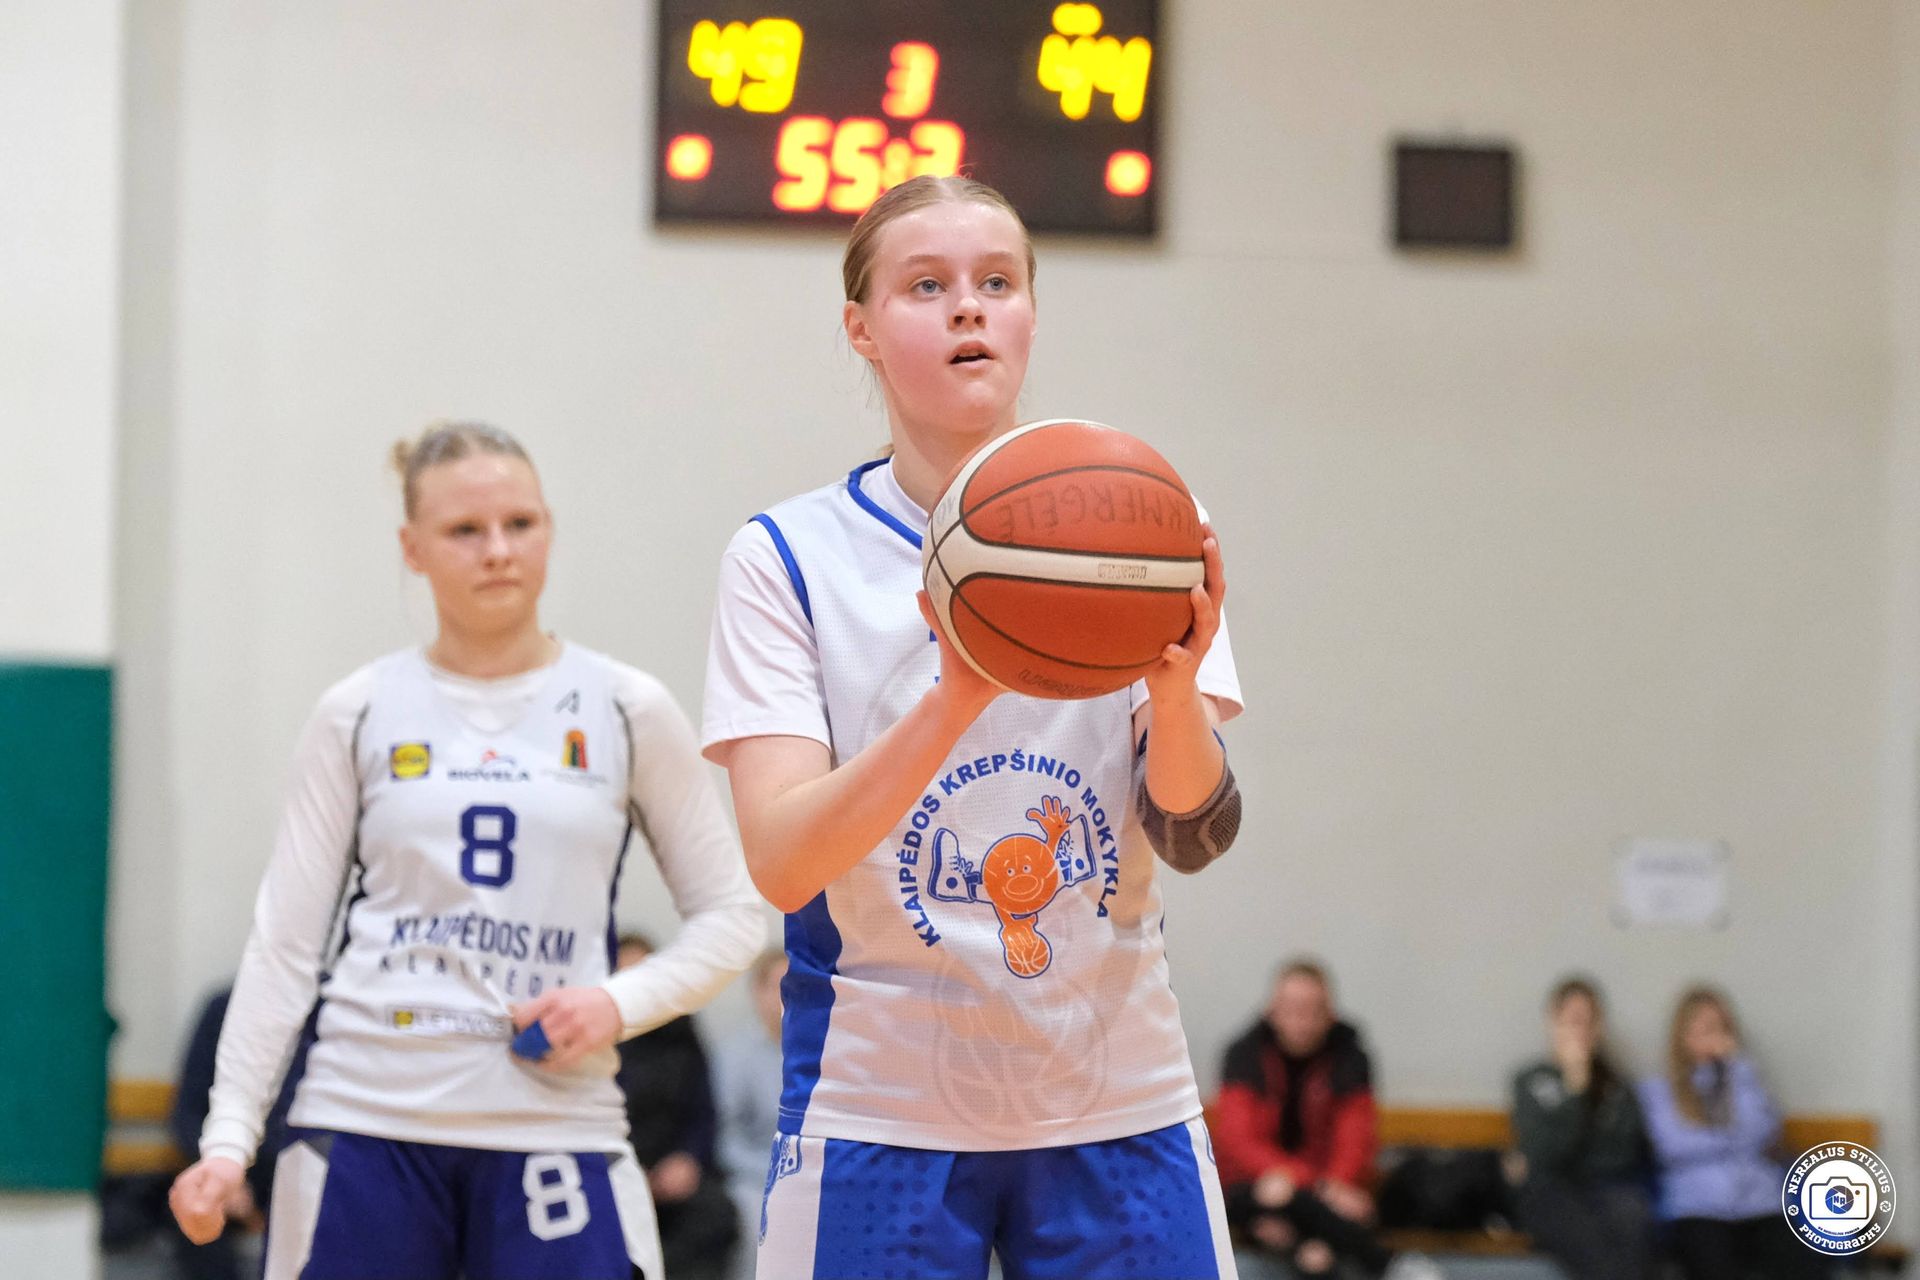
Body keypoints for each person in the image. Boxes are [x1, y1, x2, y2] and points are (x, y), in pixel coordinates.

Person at [702, 175, 1247, 1279]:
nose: (968, 307)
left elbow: (1196, 836)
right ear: (860, 327)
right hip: (878, 1104)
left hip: (1119, 1098)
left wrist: (1176, 691)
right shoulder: (786, 556)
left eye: (998, 282)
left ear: (1031, 315)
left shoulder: (1148, 526)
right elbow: (782, 860)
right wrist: (957, 693)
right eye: (926, 285)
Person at [167, 421, 765, 1280]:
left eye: (520, 523)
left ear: (549, 528)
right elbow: (285, 944)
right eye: (464, 530)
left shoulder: (625, 706)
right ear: (412, 549)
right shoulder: (359, 710)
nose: (498, 550)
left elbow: (735, 915)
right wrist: (229, 1140)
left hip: (556, 1123)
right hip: (366, 1121)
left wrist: (616, 1003)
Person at [1214, 960, 1441, 1279]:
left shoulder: (1350, 1058)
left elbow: (1356, 1138)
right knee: (1273, 1205)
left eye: (1312, 1011)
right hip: (1259, 1188)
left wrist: (1328, 1187)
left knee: (1307, 1245)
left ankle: (1304, 1246)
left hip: (1318, 1193)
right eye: (1293, 1010)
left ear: (1329, 1014)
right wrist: (1311, 1185)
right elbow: (1238, 1142)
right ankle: (1387, 1264)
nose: (1302, 1022)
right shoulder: (1244, 1055)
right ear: (1272, 1011)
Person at [1638, 986, 1825, 1280]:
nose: (1714, 1037)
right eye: (1704, 1028)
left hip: (1760, 1204)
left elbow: (1763, 1133)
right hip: (1698, 1209)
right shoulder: (1658, 1091)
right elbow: (1673, 1146)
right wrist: (1731, 1139)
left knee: (1804, 1263)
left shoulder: (1744, 1081)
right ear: (1683, 1035)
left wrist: (1738, 1069)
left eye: (1720, 1028)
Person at [1508, 976, 1657, 1280]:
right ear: (1553, 1022)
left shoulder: (1615, 1085)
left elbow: (1624, 1153)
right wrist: (1575, 1090)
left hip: (1607, 1188)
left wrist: (1574, 1153)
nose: (1581, 1031)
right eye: (1573, 1021)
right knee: (1574, 1223)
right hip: (1551, 1192)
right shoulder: (1531, 1080)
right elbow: (1543, 1155)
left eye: (1589, 1021)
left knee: (1633, 1213)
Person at [611, 932, 740, 1280]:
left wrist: (688, 1158)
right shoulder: (596, 1044)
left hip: (674, 1174)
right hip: (619, 1174)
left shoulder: (682, 1034)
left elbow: (703, 1112)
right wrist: (632, 1174)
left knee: (716, 1213)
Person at [165, 985, 313, 1280]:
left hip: (305, 1164)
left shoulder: (330, 1009)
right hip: (237, 1163)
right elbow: (187, 1113)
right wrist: (222, 1169)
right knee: (199, 1208)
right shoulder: (223, 1006)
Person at [711, 949, 786, 1280]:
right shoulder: (736, 1053)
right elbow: (726, 1134)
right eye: (778, 987)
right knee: (758, 1221)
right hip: (752, 1176)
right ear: (758, 991)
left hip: (811, 1171)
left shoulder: (823, 1051)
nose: (786, 998)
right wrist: (772, 1174)